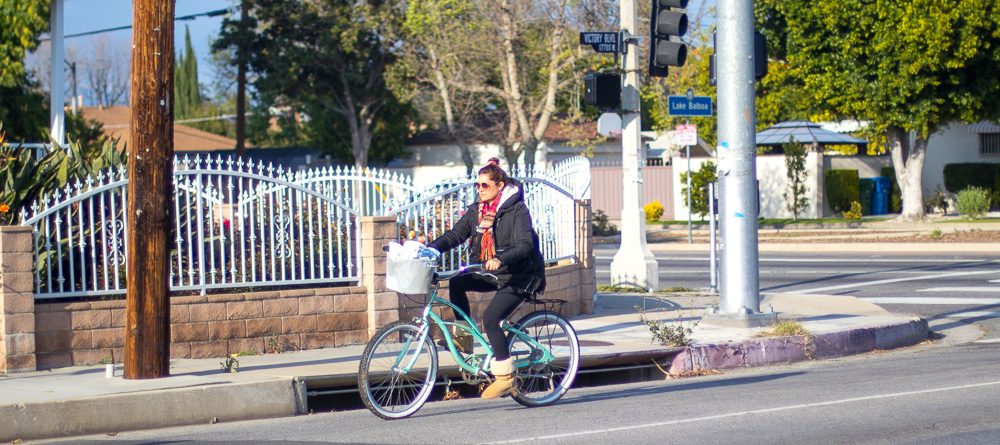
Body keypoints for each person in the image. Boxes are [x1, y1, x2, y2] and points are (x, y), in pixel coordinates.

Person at [426, 157, 546, 399]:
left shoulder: (517, 211)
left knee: (490, 319)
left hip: (520, 275)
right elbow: (456, 234)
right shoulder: (477, 211)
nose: (479, 190)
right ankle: (464, 340)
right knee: (458, 282)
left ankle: (505, 377)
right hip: (494, 273)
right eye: (477, 185)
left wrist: (501, 258)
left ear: (499, 185)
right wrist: (431, 248)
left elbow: (524, 245)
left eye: (485, 185)